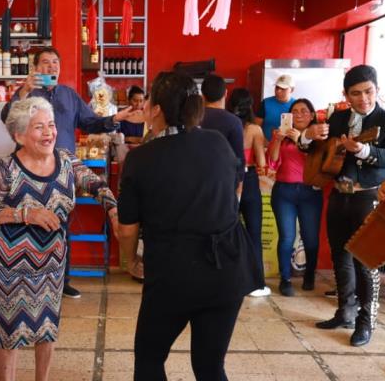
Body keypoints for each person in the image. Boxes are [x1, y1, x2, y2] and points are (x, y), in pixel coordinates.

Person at [117, 71, 263, 380]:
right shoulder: (217, 142)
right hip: (227, 268)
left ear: (155, 109)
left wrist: (130, 261)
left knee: (150, 359)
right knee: (210, 367)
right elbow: (232, 190)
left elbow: (127, 229)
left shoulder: (141, 159)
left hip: (174, 273)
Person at [0, 97, 118, 381]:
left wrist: (113, 209)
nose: (49, 132)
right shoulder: (6, 169)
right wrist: (25, 214)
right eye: (39, 127)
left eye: (51, 125)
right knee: (10, 330)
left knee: (47, 327)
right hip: (7, 267)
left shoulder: (66, 161)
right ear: (19, 135)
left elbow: (95, 183)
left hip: (51, 264)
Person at [0, 47, 143, 299]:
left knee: (62, 227)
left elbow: (91, 122)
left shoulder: (68, 95)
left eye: (55, 62)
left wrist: (115, 117)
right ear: (35, 67)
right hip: (30, 171)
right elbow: (8, 119)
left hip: (64, 171)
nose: (51, 67)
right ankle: (29, 280)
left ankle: (62, 281)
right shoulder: (27, 94)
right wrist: (21, 92)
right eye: (45, 63)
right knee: (29, 224)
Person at [301, 64, 385, 347]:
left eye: (369, 92)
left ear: (377, 90)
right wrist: (307, 136)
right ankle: (345, 311)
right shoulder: (338, 118)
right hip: (338, 194)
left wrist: (363, 150)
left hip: (368, 197)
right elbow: (315, 149)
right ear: (345, 95)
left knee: (365, 262)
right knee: (340, 255)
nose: (364, 99)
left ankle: (365, 322)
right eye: (356, 94)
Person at [267, 98, 323, 296]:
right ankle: (286, 279)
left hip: (311, 192)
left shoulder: (319, 136)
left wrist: (302, 138)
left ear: (312, 115)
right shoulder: (282, 134)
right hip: (284, 192)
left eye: (304, 111)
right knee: (287, 237)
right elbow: (272, 162)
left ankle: (309, 274)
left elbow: (319, 161)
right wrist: (278, 140)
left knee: (311, 239)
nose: (299, 114)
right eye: (295, 111)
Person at [228, 87, 270, 297]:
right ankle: (256, 283)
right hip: (250, 181)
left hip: (228, 181)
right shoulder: (255, 130)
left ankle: (230, 278)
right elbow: (261, 162)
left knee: (229, 231)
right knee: (254, 232)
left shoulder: (224, 126)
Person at [256, 74, 295, 142]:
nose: (278, 91)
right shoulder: (265, 103)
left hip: (288, 147)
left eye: (283, 89)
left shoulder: (297, 105)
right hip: (266, 145)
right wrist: (264, 142)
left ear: (291, 90)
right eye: (277, 87)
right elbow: (256, 127)